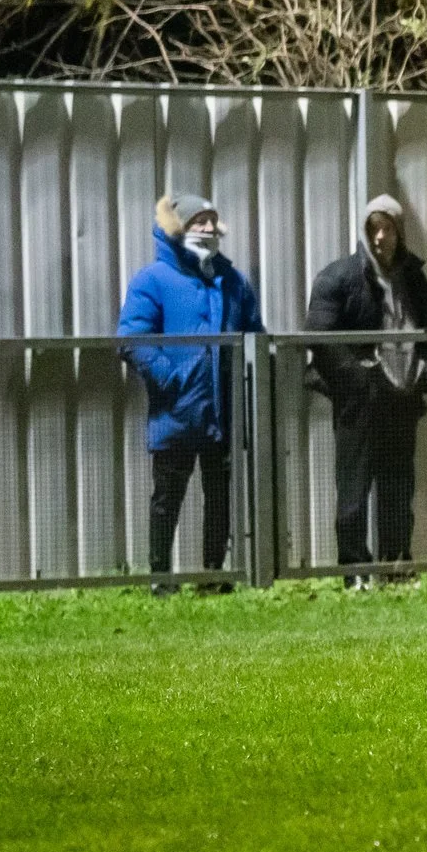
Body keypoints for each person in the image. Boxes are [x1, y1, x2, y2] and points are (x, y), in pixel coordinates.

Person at [118, 193, 267, 595]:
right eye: (198, 220)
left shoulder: (233, 280)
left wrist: (244, 384)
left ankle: (214, 575)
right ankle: (161, 580)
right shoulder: (152, 280)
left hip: (224, 412)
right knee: (168, 498)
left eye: (211, 220)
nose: (206, 228)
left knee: (219, 497)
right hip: (177, 412)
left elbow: (255, 334)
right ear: (179, 227)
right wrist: (172, 380)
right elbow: (133, 338)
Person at [307, 195, 427, 586]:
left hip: (403, 396)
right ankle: (355, 573)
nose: (381, 236)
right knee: (353, 488)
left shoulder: (414, 278)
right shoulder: (338, 277)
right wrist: (360, 381)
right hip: (359, 402)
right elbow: (319, 338)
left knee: (399, 487)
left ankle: (397, 566)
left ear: (401, 232)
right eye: (374, 228)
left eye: (388, 228)